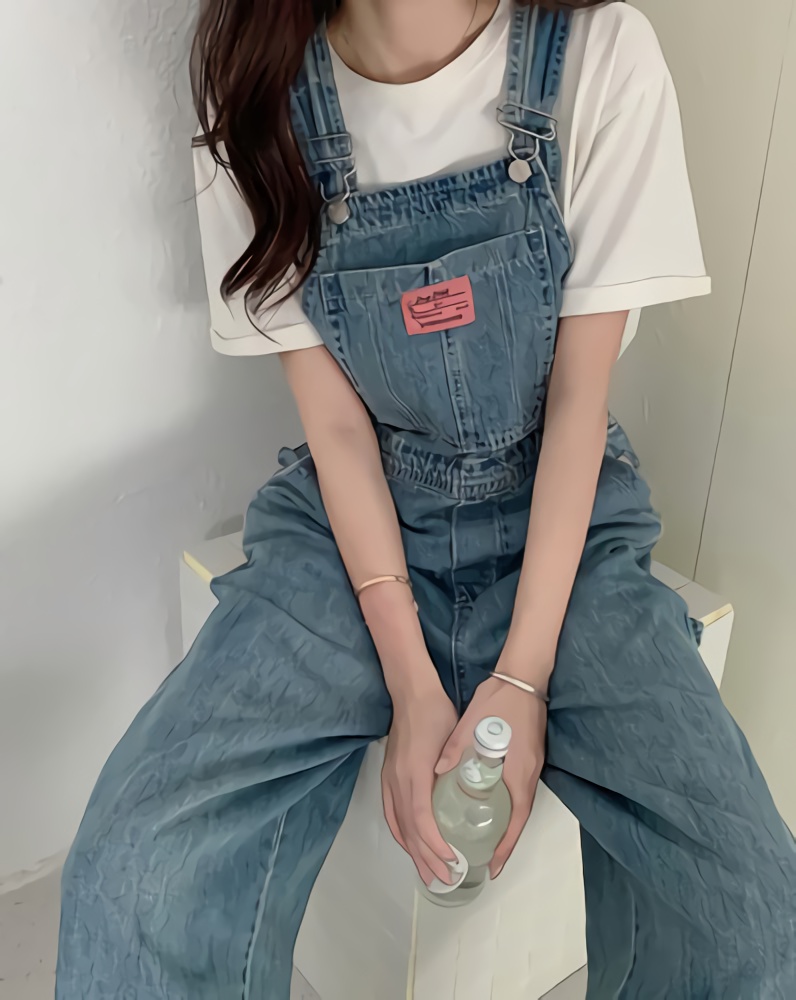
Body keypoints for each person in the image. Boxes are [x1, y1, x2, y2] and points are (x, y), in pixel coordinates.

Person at [56, 1, 796, 997]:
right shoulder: (257, 89)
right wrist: (412, 683)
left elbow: (577, 403)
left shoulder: (601, 57)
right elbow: (337, 430)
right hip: (352, 524)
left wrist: (521, 678)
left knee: (751, 910)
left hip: (559, 522)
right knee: (131, 866)